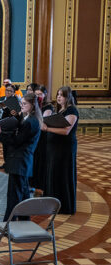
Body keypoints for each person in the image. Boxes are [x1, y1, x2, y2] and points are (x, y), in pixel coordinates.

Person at [0, 93, 42, 223]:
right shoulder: (30, 119)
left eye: (25, 104)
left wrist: (0, 134)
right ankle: (25, 220)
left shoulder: (30, 121)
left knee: (14, 195)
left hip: (20, 161)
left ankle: (8, 225)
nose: (22, 106)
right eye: (21, 103)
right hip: (22, 161)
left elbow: (17, 140)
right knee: (23, 192)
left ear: (32, 105)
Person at [44, 86, 79, 215]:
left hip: (65, 148)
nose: (58, 97)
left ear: (68, 97)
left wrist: (47, 128)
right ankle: (53, 203)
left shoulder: (72, 110)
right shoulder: (60, 110)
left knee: (63, 174)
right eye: (58, 94)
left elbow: (66, 131)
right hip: (55, 147)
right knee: (54, 173)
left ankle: (64, 206)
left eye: (62, 95)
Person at [30, 85, 53, 194]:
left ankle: (40, 185)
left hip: (42, 137)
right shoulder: (33, 105)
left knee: (40, 160)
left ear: (45, 95)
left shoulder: (48, 107)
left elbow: (42, 122)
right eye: (36, 94)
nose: (38, 96)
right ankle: (32, 183)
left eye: (40, 94)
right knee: (33, 159)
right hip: (33, 135)